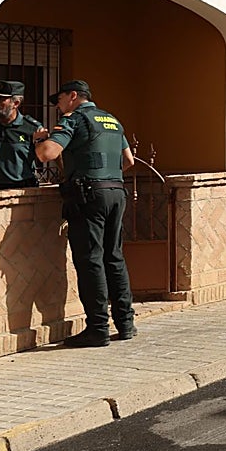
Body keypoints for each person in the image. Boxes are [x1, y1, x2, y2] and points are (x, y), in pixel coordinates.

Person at [35, 80, 136, 347]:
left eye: (59, 100)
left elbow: (47, 153)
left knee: (91, 259)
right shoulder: (111, 120)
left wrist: (40, 140)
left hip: (89, 196)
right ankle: (125, 323)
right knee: (114, 257)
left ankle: (98, 329)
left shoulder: (74, 119)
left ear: (73, 96)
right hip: (116, 191)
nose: (58, 106)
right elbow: (128, 161)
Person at [0, 79, 46, 191]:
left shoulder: (31, 128)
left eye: (1, 99)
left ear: (15, 103)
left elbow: (46, 155)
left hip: (22, 189)